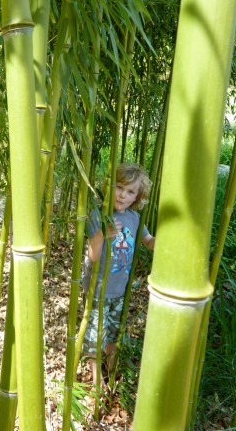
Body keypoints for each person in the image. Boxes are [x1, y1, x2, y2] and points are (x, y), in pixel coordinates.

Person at [82, 162, 155, 385]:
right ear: (109, 186)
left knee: (114, 333)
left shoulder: (135, 218)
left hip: (120, 290)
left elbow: (149, 242)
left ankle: (112, 370)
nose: (123, 195)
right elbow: (93, 256)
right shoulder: (98, 214)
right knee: (94, 336)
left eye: (130, 191)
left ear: (137, 197)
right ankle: (97, 382)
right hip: (98, 288)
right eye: (119, 187)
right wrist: (104, 233)